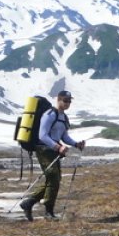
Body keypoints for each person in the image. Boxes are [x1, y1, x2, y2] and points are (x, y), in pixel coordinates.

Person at [19, 90, 85, 220]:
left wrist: (76, 144)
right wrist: (58, 146)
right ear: (58, 100)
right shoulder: (49, 114)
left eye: (69, 101)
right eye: (65, 101)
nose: (67, 103)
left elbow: (64, 136)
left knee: (54, 179)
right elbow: (42, 135)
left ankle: (29, 202)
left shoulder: (63, 117)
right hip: (43, 149)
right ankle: (48, 212)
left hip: (54, 150)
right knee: (53, 178)